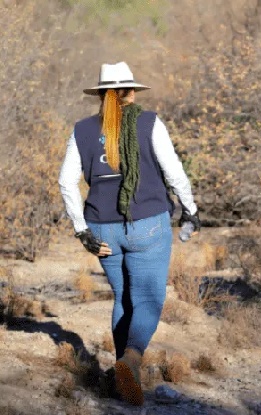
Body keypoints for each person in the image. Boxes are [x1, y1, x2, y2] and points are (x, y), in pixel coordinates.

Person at [58, 62, 200, 405]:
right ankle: (132, 360)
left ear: (102, 95)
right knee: (149, 299)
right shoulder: (149, 122)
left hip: (101, 229)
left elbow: (66, 182)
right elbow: (174, 171)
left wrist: (81, 231)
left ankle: (124, 379)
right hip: (146, 223)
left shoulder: (82, 130)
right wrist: (191, 209)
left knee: (124, 298)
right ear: (130, 92)